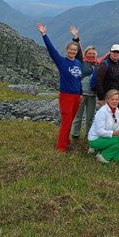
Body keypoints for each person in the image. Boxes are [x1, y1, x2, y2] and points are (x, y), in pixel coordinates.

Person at [36, 22, 83, 153]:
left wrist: (81, 94)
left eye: (75, 50)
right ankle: (61, 147)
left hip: (76, 97)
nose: (73, 51)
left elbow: (78, 79)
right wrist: (44, 35)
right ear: (66, 50)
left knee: (71, 120)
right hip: (66, 96)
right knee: (66, 122)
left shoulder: (78, 62)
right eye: (71, 49)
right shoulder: (62, 61)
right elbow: (52, 51)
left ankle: (66, 141)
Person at [87, 90, 119, 163]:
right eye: (112, 99)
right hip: (96, 138)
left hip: (107, 137)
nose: (115, 101)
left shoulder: (116, 110)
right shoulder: (102, 111)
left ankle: (98, 150)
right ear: (107, 100)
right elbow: (99, 131)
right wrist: (114, 133)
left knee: (118, 160)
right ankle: (102, 156)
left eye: (117, 99)